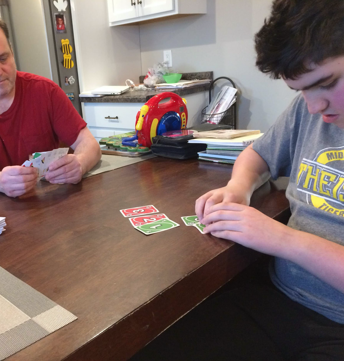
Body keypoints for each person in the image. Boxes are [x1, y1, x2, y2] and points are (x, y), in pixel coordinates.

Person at [131, 0, 344, 360]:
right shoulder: (307, 111)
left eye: (325, 84)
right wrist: (237, 188)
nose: (312, 107)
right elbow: (256, 155)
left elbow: (283, 240)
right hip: (275, 298)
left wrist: (280, 238)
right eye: (301, 91)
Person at [0, 14, 101, 198]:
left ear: (12, 51)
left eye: (3, 58)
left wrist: (80, 163)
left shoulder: (45, 91)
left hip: (49, 205)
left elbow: (89, 144)